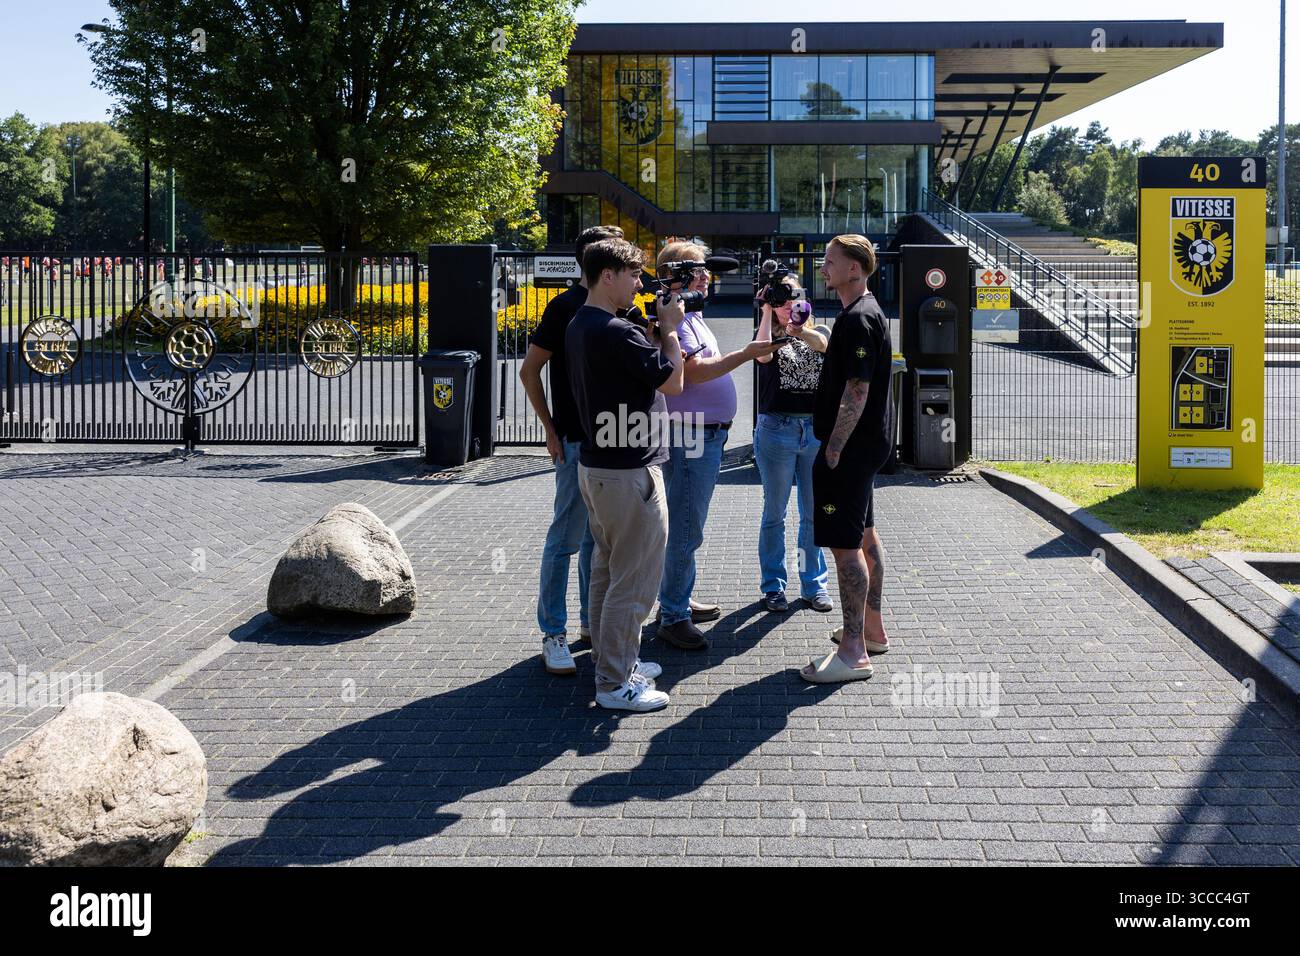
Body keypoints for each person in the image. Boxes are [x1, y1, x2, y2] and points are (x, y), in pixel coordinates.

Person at [567, 238, 686, 712]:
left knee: (605, 571)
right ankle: (614, 683)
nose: (640, 284)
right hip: (628, 473)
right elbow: (673, 382)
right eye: (634, 275)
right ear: (608, 275)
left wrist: (653, 331)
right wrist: (673, 331)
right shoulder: (618, 332)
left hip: (596, 468)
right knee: (633, 582)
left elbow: (635, 375)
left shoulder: (582, 323)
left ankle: (610, 660)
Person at [654, 241, 781, 650]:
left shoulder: (690, 314)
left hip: (701, 432)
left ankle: (678, 599)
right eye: (700, 270)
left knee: (685, 524)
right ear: (679, 273)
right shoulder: (674, 315)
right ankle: (672, 614)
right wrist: (746, 354)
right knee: (686, 528)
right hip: (691, 432)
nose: (708, 276)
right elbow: (691, 372)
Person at [519, 224, 624, 675]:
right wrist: (551, 428)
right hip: (577, 442)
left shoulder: (621, 303)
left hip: (612, 442)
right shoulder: (562, 308)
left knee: (597, 542)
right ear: (599, 264)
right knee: (565, 539)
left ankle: (589, 624)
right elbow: (529, 371)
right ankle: (553, 632)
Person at [802, 235, 894, 684]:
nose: (823, 268)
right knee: (864, 536)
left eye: (830, 262)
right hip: (867, 446)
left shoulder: (858, 318)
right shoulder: (865, 311)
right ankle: (871, 631)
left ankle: (854, 651)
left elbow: (856, 392)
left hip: (851, 449)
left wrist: (834, 447)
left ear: (855, 269)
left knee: (844, 547)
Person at [753, 272, 834, 614]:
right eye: (780, 297)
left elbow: (824, 346)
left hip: (813, 431)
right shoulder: (766, 335)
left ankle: (813, 585)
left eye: (792, 296)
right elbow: (761, 357)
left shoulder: (819, 331)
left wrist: (799, 327)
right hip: (777, 429)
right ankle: (773, 585)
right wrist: (768, 311)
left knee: (813, 514)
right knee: (775, 512)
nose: (788, 303)